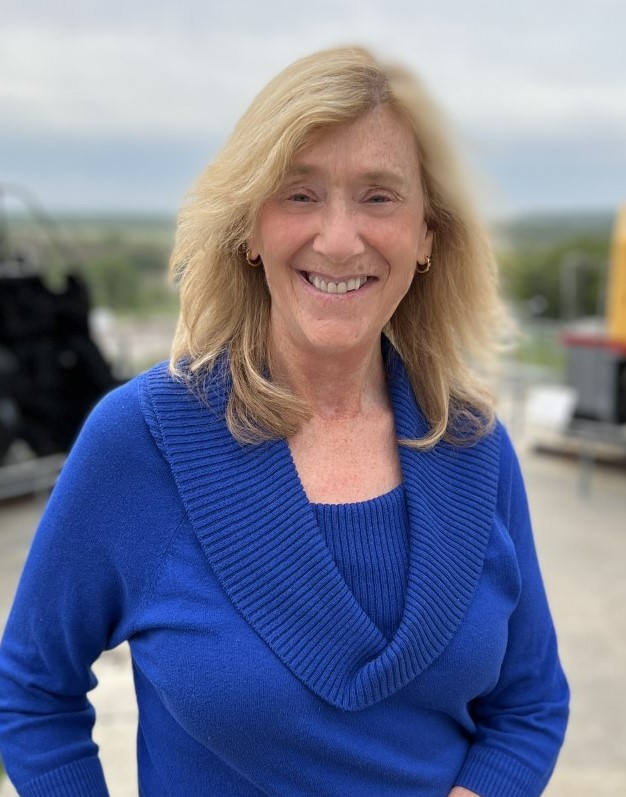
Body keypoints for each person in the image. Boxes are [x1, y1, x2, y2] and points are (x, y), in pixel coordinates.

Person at [0, 47, 568, 796]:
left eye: (379, 197)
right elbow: (30, 693)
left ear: (429, 235)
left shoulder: (473, 447)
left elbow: (529, 704)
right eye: (300, 195)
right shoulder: (141, 440)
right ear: (248, 228)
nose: (338, 239)